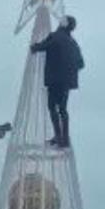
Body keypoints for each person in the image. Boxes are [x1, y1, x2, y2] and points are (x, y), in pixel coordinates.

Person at [30, 15, 84, 148]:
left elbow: (43, 46)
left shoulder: (55, 36)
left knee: (52, 107)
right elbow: (81, 63)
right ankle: (64, 138)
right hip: (67, 82)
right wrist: (69, 69)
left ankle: (59, 137)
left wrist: (34, 47)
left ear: (62, 24)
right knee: (63, 109)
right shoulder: (73, 42)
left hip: (54, 79)